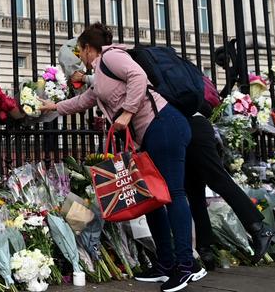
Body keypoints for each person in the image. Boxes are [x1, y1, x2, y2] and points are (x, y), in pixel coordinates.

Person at [43, 23, 200, 292]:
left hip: (164, 125)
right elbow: (84, 100)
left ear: (88, 48)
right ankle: (165, 263)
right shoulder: (101, 75)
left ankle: (187, 266)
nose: (80, 57)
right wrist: (54, 106)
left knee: (173, 194)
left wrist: (127, 112)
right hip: (151, 133)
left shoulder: (112, 56)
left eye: (80, 51)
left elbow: (138, 77)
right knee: (152, 199)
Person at [185, 95, 275, 267]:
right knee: (193, 188)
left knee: (217, 180)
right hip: (189, 126)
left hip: (192, 126)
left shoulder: (159, 72)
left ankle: (258, 228)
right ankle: (205, 250)